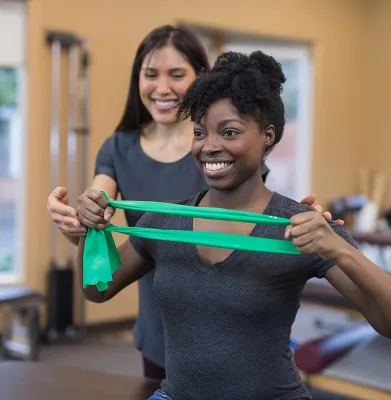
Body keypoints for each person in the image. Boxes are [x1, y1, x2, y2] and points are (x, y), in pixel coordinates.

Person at [47, 25, 338, 381]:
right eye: (151, 74)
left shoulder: (221, 152)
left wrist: (303, 219)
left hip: (233, 324)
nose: (163, 88)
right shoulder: (119, 147)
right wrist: (80, 222)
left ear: (202, 78)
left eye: (177, 75)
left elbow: (253, 215)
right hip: (161, 327)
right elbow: (97, 218)